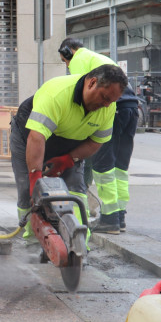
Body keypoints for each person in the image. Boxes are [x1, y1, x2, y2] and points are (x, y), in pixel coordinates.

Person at [10, 64, 128, 242]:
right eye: (104, 97)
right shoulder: (57, 93)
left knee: (76, 190)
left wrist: (68, 160)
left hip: (71, 145)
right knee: (28, 189)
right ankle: (32, 240)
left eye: (111, 101)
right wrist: (36, 177)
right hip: (29, 137)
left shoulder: (107, 107)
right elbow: (37, 136)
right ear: (92, 83)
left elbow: (97, 141)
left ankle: (79, 244)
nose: (106, 105)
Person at [58, 38, 140, 234]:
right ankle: (119, 217)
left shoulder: (79, 59)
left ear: (69, 51)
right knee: (120, 167)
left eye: (65, 60)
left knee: (104, 165)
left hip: (113, 108)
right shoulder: (96, 58)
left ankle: (110, 220)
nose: (67, 65)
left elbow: (81, 94)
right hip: (131, 108)